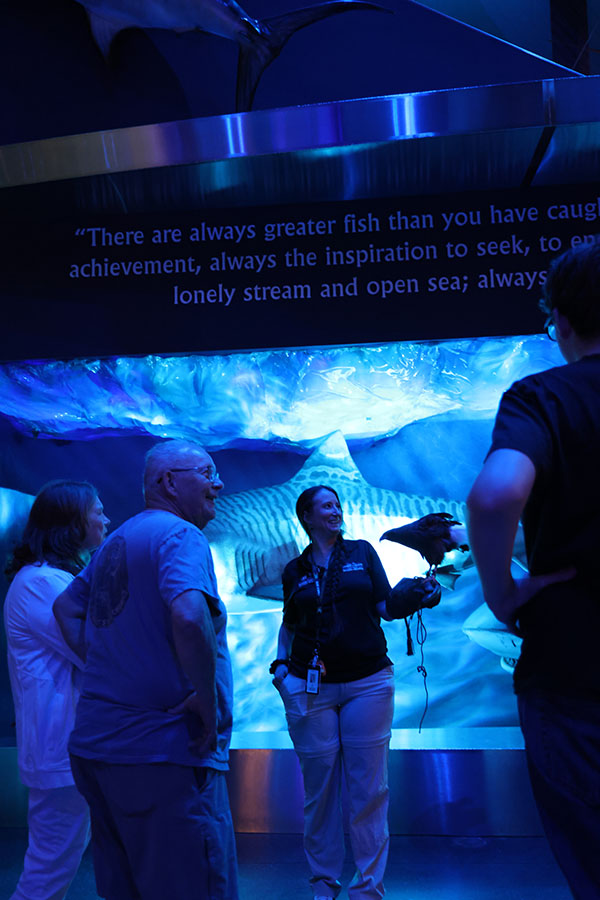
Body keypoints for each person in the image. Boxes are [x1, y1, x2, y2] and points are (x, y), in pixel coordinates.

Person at [466, 240, 600, 899]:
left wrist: (503, 596)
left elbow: (494, 496)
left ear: (563, 323)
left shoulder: (542, 398)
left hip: (574, 666)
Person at [52, 439, 238, 900]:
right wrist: (205, 698)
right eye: (207, 471)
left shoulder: (118, 540)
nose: (219, 483)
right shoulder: (181, 535)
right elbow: (189, 615)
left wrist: (106, 661)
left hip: (99, 751)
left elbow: (65, 608)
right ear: (169, 482)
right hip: (162, 754)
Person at [271, 484, 440, 900]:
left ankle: (367, 887)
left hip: (368, 683)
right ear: (306, 517)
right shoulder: (294, 569)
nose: (336, 510)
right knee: (320, 791)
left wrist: (417, 597)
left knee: (368, 790)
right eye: (326, 506)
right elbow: (290, 623)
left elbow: (384, 607)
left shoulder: (363, 552)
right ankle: (324, 883)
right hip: (312, 690)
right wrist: (279, 670)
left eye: (338, 504)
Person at [4, 479, 109, 900]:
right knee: (48, 868)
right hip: (58, 748)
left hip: (68, 748)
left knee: (56, 862)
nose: (105, 517)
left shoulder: (50, 580)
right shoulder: (40, 584)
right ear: (70, 523)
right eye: (96, 511)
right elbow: (93, 651)